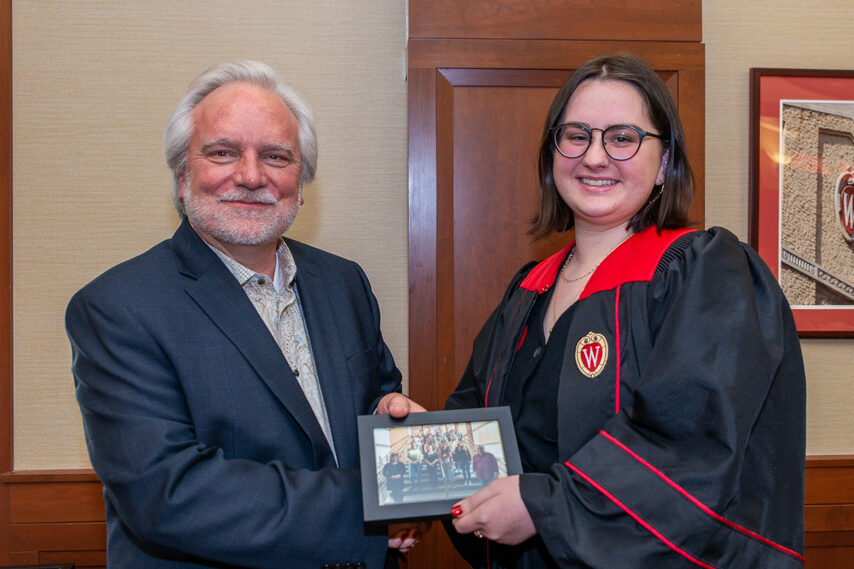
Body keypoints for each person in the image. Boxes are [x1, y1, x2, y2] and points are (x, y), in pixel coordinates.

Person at [445, 54, 806, 568]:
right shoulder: (529, 289)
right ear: (553, 152)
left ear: (663, 163)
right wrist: (419, 444)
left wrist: (547, 508)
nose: (594, 157)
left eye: (622, 138)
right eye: (576, 135)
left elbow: (692, 449)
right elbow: (479, 420)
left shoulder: (704, 274)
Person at [66, 61, 425, 569]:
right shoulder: (117, 307)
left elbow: (375, 404)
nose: (252, 175)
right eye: (223, 153)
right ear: (181, 175)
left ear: (301, 181)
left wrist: (401, 434)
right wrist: (370, 509)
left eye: (276, 156)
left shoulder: (345, 283)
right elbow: (167, 493)